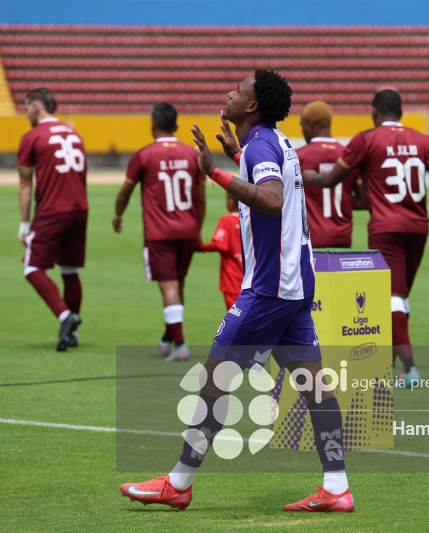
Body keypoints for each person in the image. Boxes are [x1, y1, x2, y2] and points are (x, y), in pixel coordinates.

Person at [120, 70, 353, 513]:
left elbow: (271, 199)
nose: (229, 91)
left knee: (214, 378)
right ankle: (337, 486)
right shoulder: (271, 142)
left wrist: (214, 173)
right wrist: (236, 153)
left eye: (238, 89)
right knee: (314, 387)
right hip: (296, 283)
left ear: (252, 106)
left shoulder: (263, 144)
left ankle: (179, 482)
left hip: (269, 288)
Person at [303, 89, 429, 388]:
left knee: (391, 298)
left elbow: (331, 180)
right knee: (401, 297)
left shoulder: (366, 139)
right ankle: (392, 367)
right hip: (419, 227)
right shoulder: (425, 141)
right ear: (402, 113)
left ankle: (409, 370)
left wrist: (307, 176)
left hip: (386, 228)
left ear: (373, 112)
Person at [113, 103, 206, 362]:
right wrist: (197, 229)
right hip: (188, 229)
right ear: (176, 126)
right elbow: (201, 199)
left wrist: (118, 215)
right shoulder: (191, 154)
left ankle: (180, 343)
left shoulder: (143, 156)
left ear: (152, 124)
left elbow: (125, 192)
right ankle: (168, 336)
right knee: (178, 284)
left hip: (159, 234)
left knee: (168, 287)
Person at [17, 88, 87, 352]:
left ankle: (65, 316)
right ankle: (74, 333)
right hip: (80, 209)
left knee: (32, 268)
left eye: (25, 108)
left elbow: (25, 184)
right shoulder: (74, 133)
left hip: (52, 210)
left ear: (36, 107)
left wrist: (25, 225)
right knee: (70, 270)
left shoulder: (32, 137)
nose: (25, 114)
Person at [297, 101, 365, 248]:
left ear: (311, 124)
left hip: (310, 240)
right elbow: (363, 201)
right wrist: (342, 201)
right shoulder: (347, 156)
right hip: (343, 238)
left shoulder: (298, 157)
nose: (302, 131)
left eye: (302, 125)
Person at [197, 192, 242, 310]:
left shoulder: (227, 220)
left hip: (232, 280)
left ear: (231, 202)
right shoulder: (250, 221)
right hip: (251, 281)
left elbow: (218, 244)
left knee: (235, 319)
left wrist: (199, 248)